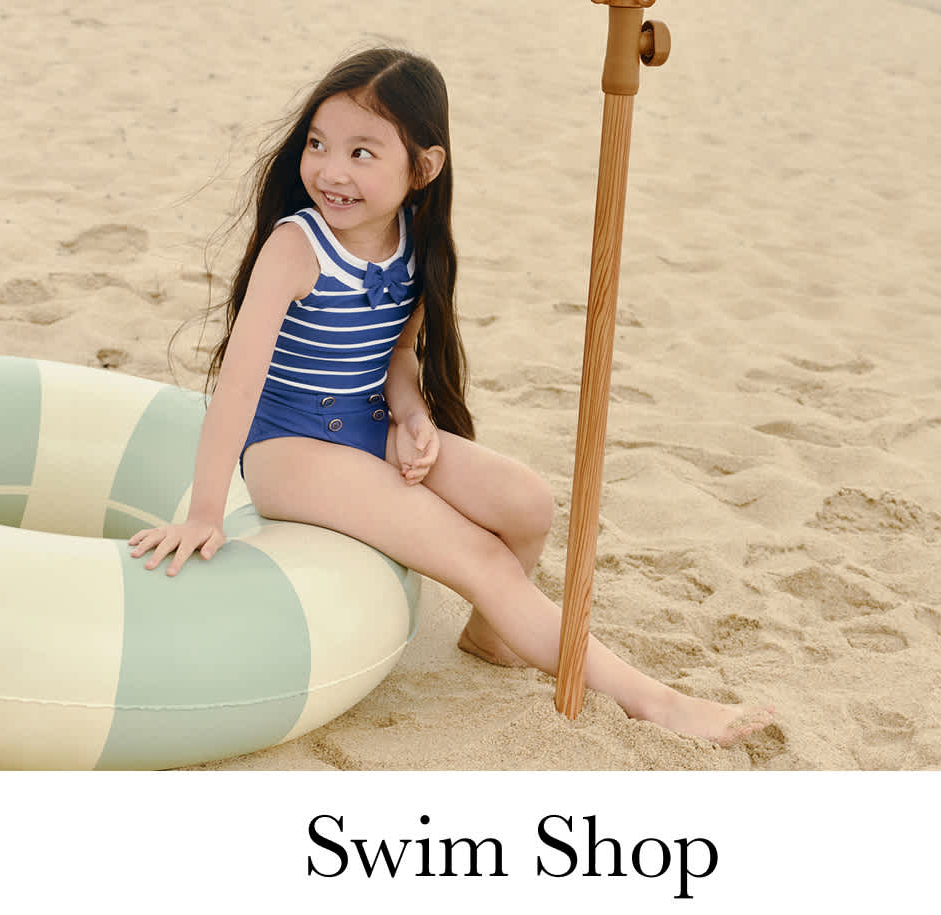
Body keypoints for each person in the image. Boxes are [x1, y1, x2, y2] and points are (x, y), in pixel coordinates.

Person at [129, 48, 773, 747]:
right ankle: (655, 702)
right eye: (318, 144)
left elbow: (398, 354)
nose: (330, 170)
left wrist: (412, 416)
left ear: (422, 168)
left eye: (361, 152)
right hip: (290, 445)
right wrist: (204, 510)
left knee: (527, 501)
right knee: (481, 557)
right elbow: (240, 386)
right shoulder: (297, 247)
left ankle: (494, 634)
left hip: (370, 423)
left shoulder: (416, 243)